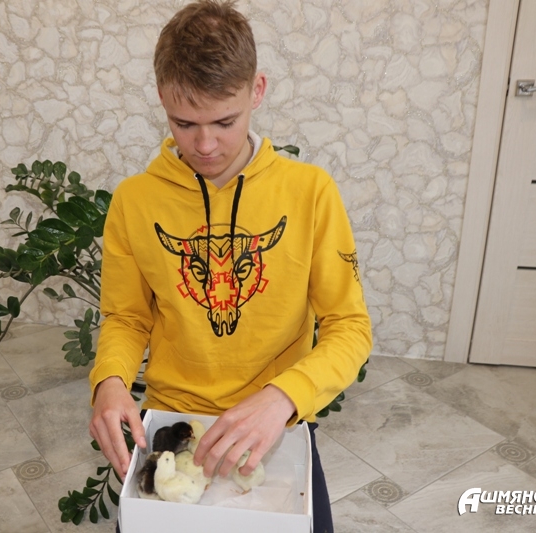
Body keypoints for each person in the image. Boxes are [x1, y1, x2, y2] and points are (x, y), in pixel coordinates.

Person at [88, 1, 372, 531]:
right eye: (184, 123)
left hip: (277, 424)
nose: (205, 144)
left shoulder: (311, 192)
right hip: (172, 424)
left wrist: (282, 398)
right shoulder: (133, 201)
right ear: (161, 97)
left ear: (256, 91)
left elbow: (349, 327)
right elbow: (126, 317)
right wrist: (109, 381)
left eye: (225, 121)